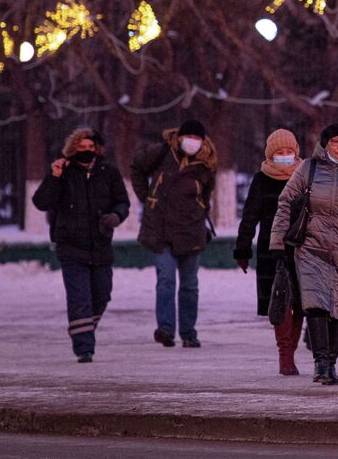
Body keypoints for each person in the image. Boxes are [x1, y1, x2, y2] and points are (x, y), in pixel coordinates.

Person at [270, 123, 338, 385]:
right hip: (310, 249)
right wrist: (277, 242)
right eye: (336, 141)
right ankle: (320, 364)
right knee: (316, 303)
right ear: (326, 144)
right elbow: (285, 203)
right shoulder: (308, 168)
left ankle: (331, 362)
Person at [31, 127, 130, 363]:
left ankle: (83, 329)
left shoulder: (109, 172)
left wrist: (116, 216)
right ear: (72, 149)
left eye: (90, 147)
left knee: (102, 295)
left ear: (97, 149)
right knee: (79, 299)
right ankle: (84, 347)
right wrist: (53, 176)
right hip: (71, 247)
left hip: (101, 246)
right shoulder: (63, 172)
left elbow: (122, 202)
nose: (86, 151)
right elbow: (41, 202)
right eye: (81, 148)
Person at [132, 118, 217, 349]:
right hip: (160, 231)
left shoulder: (206, 163)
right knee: (166, 280)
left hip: (191, 231)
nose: (193, 142)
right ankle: (166, 329)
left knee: (190, 285)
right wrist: (147, 199)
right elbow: (137, 167)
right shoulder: (161, 153)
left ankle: (189, 333)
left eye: (198, 138)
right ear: (179, 137)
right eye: (189, 137)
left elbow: (206, 196)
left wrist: (199, 211)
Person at [234, 128, 303, 375]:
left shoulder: (306, 177)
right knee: (280, 302)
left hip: (303, 248)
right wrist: (243, 246)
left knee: (302, 304)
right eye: (279, 152)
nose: (284, 156)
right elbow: (250, 215)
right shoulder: (261, 179)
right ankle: (285, 355)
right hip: (271, 250)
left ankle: (291, 350)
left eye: (288, 151)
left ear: (296, 152)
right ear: (270, 155)